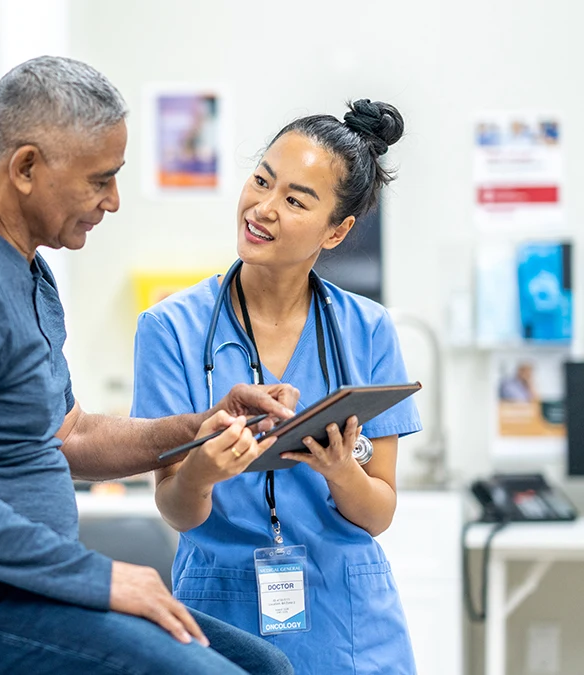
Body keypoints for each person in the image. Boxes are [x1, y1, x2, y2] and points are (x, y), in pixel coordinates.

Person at [0, 56, 296, 675]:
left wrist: (196, 428)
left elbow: (68, 434)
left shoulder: (23, 262)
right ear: (25, 167)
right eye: (99, 179)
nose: (113, 201)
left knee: (265, 666)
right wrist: (98, 578)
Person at [131, 100, 423, 675]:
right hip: (222, 611)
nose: (262, 208)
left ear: (337, 230)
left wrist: (341, 470)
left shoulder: (368, 330)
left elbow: (379, 511)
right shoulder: (169, 328)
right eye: (261, 180)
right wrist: (203, 471)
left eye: (294, 200)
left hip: (351, 623)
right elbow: (175, 507)